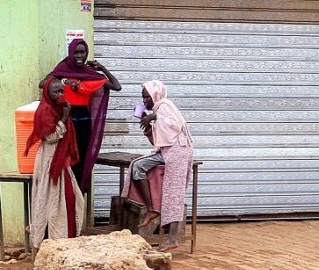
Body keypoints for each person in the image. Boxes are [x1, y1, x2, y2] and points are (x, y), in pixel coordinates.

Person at [41, 39, 121, 193]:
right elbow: (43, 83)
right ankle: (65, 196)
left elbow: (116, 86)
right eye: (76, 52)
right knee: (66, 158)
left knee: (82, 158)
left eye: (82, 52)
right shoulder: (63, 68)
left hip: (84, 121)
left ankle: (79, 197)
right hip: (66, 118)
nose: (79, 55)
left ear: (86, 54)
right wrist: (65, 81)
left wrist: (102, 68)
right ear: (71, 53)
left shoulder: (89, 74)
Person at [128, 80, 193, 252]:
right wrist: (149, 127)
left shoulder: (165, 105)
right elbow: (159, 141)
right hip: (166, 152)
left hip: (179, 152)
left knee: (174, 193)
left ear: (156, 95)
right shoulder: (157, 111)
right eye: (143, 98)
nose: (145, 102)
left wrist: (155, 117)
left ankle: (172, 238)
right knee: (137, 166)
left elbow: (176, 125)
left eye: (147, 97)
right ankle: (152, 209)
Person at [25, 77, 85, 253]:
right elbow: (50, 137)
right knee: (49, 202)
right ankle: (48, 246)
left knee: (70, 199)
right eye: (56, 91)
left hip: (61, 161)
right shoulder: (45, 111)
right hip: (49, 161)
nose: (60, 94)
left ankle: (66, 243)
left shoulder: (60, 107)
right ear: (47, 93)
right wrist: (65, 116)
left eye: (61, 91)